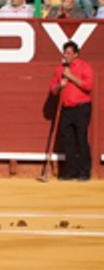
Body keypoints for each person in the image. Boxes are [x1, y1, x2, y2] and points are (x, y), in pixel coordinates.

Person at [50, 41, 94, 181]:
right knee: (68, 140)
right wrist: (59, 85)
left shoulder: (84, 67)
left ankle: (84, 172)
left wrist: (70, 77)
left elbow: (88, 86)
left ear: (76, 54)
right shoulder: (60, 69)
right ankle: (70, 171)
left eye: (69, 53)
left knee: (81, 138)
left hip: (81, 107)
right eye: (65, 53)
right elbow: (52, 89)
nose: (66, 55)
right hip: (66, 109)